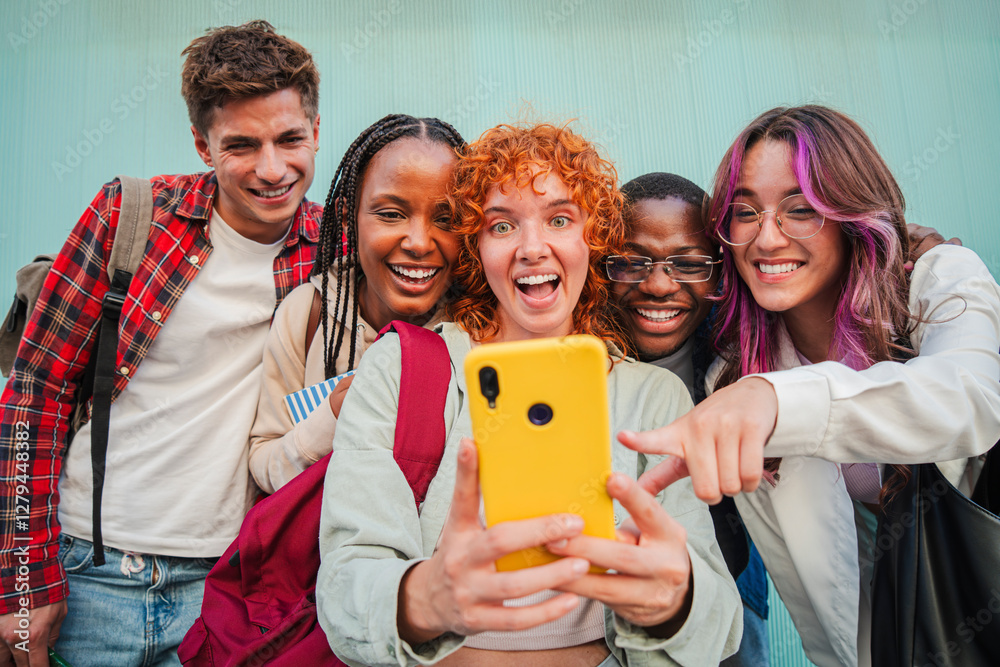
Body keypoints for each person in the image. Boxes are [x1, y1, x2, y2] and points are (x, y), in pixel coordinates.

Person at [316, 123, 741, 666]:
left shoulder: (656, 398)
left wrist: (674, 599)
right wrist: (426, 599)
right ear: (476, 248)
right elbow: (345, 583)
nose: (532, 248)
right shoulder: (399, 368)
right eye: (501, 226)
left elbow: (719, 625)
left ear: (595, 240)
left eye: (560, 220)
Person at [620, 106, 1000, 666]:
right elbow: (819, 604)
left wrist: (777, 400)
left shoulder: (937, 279)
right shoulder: (734, 367)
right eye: (745, 211)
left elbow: (968, 398)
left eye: (801, 209)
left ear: (852, 213)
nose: (767, 239)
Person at [0, 21, 322, 667]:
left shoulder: (331, 246)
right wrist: (24, 585)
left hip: (228, 583)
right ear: (203, 145)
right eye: (241, 145)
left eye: (290, 139)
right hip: (90, 571)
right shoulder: (130, 216)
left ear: (315, 131)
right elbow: (35, 395)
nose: (271, 168)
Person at [248, 114, 465, 493]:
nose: (418, 242)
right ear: (349, 218)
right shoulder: (309, 314)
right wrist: (330, 419)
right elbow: (265, 465)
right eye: (391, 214)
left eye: (446, 219)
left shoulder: (476, 330)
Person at [610, 172, 769, 666]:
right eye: (632, 262)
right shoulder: (578, 356)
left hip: (736, 574)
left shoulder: (747, 348)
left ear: (721, 272)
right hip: (620, 593)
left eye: (689, 263)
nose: (659, 285)